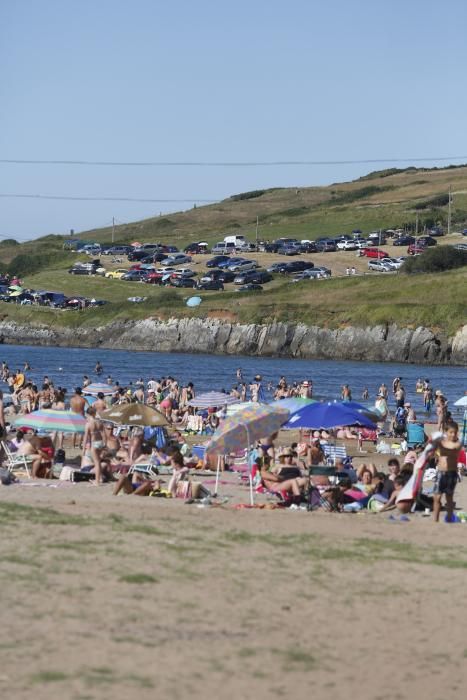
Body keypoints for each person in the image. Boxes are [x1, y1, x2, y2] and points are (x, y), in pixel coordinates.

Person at [433, 422, 462, 523]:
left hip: (451, 474)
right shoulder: (441, 442)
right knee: (437, 497)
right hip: (440, 472)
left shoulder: (457, 444)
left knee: (449, 498)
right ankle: (435, 520)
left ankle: (449, 519)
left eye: (455, 432)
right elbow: (432, 450)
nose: (453, 434)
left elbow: (452, 449)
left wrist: (439, 443)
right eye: (451, 432)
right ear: (446, 432)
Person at [82, 406, 105, 484]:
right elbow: (103, 434)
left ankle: (97, 481)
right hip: (100, 442)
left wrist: (83, 450)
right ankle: (100, 478)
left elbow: (85, 438)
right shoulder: (99, 422)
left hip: (94, 443)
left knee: (97, 463)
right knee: (98, 461)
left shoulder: (88, 424)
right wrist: (104, 444)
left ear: (88, 414)